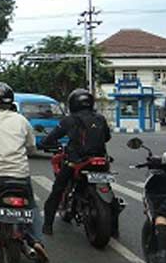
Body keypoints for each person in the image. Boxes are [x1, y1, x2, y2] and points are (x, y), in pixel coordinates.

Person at [0, 81, 48, 261]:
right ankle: (37, 240)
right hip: (20, 176)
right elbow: (31, 147)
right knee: (31, 205)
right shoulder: (22, 120)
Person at [39, 88, 113, 236]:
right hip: (100, 160)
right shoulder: (100, 119)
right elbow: (107, 137)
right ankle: (115, 229)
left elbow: (52, 137)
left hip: (76, 161)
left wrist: (44, 143)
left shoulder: (69, 120)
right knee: (108, 190)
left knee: (57, 190)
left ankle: (47, 225)